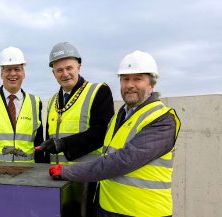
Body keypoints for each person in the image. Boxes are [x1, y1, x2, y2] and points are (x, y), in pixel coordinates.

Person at [48, 50, 181, 217]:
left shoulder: (162, 119)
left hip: (143, 211)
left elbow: (123, 160)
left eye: (137, 79)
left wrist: (68, 171)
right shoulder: (119, 117)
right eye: (125, 79)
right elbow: (106, 155)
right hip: (108, 207)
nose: (130, 85)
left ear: (151, 84)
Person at [36, 41, 115, 217]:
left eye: (69, 68)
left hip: (87, 179)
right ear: (53, 73)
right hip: (57, 179)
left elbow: (102, 132)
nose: (65, 74)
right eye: (59, 70)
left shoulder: (99, 91)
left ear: (79, 66)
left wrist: (63, 144)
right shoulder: (52, 101)